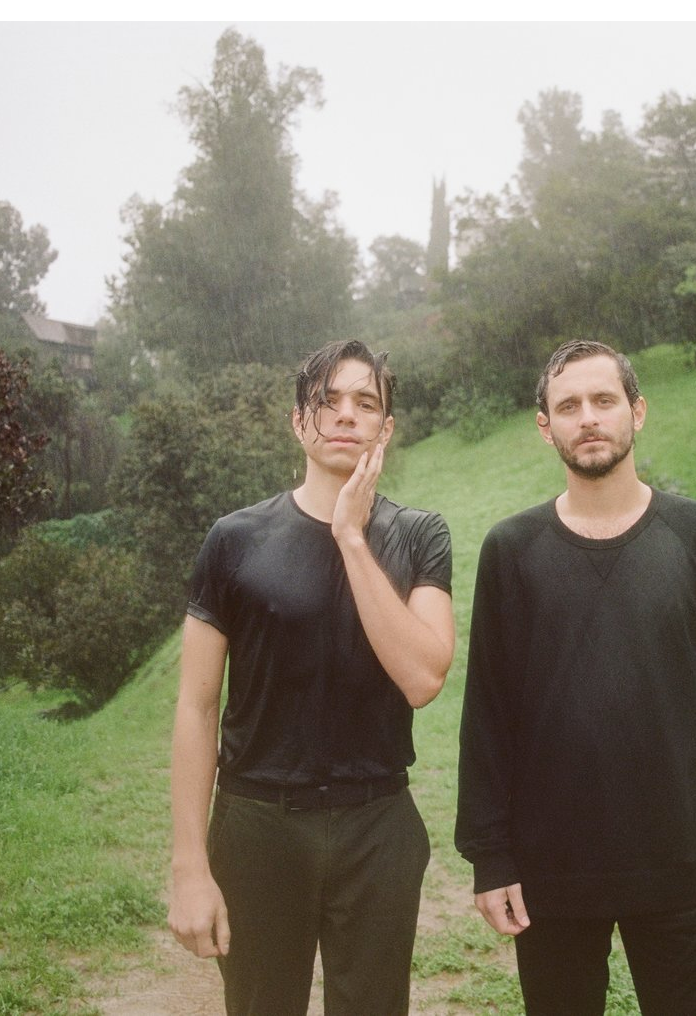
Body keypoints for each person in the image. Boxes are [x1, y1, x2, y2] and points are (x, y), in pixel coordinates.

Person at [455, 340, 696, 1015]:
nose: (588, 418)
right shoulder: (512, 551)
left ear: (638, 411)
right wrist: (491, 857)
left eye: (604, 400)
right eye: (568, 406)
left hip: (680, 858)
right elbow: (488, 716)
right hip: (551, 870)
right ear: (545, 427)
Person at [168, 340, 456, 1016]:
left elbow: (422, 677)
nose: (347, 415)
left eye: (366, 403)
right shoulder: (234, 539)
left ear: (387, 428)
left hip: (378, 826)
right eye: (328, 401)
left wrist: (351, 536)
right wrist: (189, 866)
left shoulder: (419, 535)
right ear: (299, 422)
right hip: (258, 826)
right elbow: (196, 707)